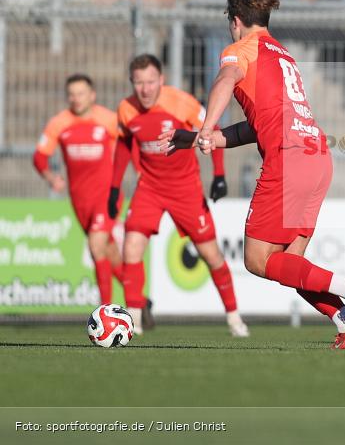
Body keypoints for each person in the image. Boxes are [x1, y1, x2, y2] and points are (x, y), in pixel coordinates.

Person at [161, 0, 345, 350]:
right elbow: (254, 126)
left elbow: (225, 80)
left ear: (235, 20)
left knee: (258, 260)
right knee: (290, 265)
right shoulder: (282, 54)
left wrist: (208, 125)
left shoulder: (240, 50)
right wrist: (200, 134)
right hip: (317, 158)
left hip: (289, 159)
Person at [109, 54, 247, 337]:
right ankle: (132, 320)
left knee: (212, 255)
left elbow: (212, 131)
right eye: (138, 83)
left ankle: (234, 319)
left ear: (161, 79)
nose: (145, 89)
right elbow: (124, 145)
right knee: (131, 248)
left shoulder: (181, 102)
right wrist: (114, 187)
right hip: (149, 187)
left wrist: (219, 175)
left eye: (150, 82)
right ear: (131, 83)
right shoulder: (126, 109)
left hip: (186, 188)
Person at [33, 75, 125, 306]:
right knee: (108, 251)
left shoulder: (108, 119)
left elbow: (130, 145)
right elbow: (40, 157)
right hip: (80, 200)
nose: (76, 98)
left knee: (95, 245)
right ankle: (141, 302)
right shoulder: (60, 122)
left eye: (81, 93)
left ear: (92, 95)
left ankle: (106, 311)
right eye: (72, 94)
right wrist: (51, 177)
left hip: (107, 195)